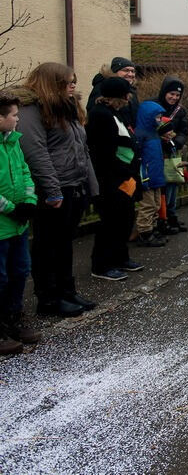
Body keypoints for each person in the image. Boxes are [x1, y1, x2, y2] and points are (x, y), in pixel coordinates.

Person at [16, 63, 98, 318]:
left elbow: (82, 149)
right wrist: (53, 191)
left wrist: (91, 185)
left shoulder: (66, 107)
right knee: (47, 244)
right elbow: (36, 152)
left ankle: (66, 290)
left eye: (73, 81)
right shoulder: (33, 109)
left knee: (64, 243)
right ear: (52, 83)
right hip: (53, 190)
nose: (73, 85)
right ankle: (48, 298)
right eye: (67, 81)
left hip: (73, 185)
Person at [85, 77, 143, 281]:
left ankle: (120, 257)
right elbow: (102, 153)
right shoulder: (100, 115)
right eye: (126, 94)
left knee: (124, 220)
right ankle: (101, 265)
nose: (129, 98)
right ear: (117, 96)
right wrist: (123, 173)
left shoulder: (114, 113)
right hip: (110, 180)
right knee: (109, 223)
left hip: (124, 177)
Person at [0, 91, 41, 354]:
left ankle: (14, 316)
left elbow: (25, 173)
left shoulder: (13, 143)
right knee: (0, 277)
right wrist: (12, 208)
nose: (18, 119)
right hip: (3, 225)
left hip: (18, 224)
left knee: (20, 271)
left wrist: (29, 201)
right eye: (14, 115)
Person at [156, 75, 188, 235]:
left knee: (173, 184)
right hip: (158, 152)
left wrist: (177, 142)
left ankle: (172, 214)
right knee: (162, 186)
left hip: (173, 151)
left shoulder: (180, 111)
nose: (174, 97)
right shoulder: (155, 107)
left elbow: (184, 130)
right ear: (164, 92)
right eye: (171, 94)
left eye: (177, 95)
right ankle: (162, 218)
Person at [134, 99, 169, 247]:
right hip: (147, 176)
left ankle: (152, 229)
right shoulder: (141, 134)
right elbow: (139, 158)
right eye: (157, 117)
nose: (159, 120)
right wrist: (143, 177)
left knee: (155, 204)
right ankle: (145, 232)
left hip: (156, 175)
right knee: (147, 206)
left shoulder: (154, 133)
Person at [87, 56, 138, 128]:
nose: (130, 74)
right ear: (115, 72)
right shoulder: (103, 88)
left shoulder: (131, 90)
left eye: (132, 71)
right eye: (126, 70)